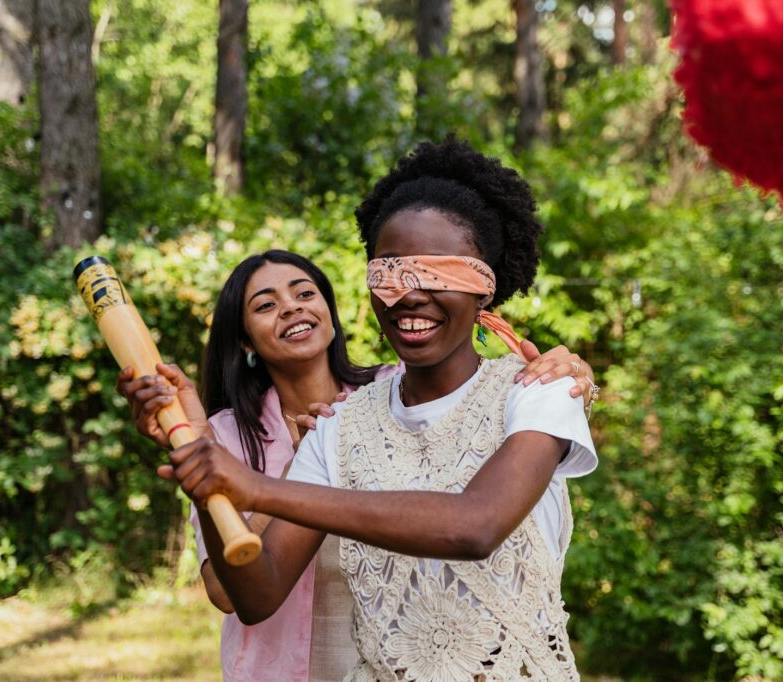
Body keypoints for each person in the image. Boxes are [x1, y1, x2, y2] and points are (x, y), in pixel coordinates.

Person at [156, 139, 598, 680]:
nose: (409, 294)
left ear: (486, 289)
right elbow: (257, 594)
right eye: (389, 273)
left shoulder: (539, 393)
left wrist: (257, 490)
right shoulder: (337, 427)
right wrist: (208, 489)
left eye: (439, 273)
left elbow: (475, 526)